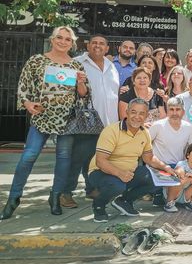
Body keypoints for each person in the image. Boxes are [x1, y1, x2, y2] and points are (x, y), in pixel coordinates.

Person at [1, 26, 88, 219]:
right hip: (42, 117)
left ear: (72, 43)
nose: (63, 41)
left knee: (64, 159)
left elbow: (83, 94)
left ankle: (55, 197)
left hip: (67, 119)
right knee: (28, 156)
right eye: (59, 37)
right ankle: (14, 198)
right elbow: (24, 86)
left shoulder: (76, 66)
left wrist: (81, 82)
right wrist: (27, 103)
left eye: (67, 39)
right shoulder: (37, 61)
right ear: (52, 39)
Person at [87, 98, 176, 222]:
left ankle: (124, 201)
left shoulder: (144, 132)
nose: (137, 116)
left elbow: (149, 158)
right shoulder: (111, 130)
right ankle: (99, 205)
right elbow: (101, 162)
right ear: (127, 112)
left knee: (157, 179)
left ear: (147, 115)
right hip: (101, 172)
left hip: (128, 173)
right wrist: (120, 173)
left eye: (141, 113)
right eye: (133, 112)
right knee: (117, 186)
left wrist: (166, 168)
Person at [63, 35, 119, 208]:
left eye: (102, 43)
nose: (97, 46)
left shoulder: (111, 66)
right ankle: (65, 192)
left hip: (108, 123)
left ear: (107, 48)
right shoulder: (77, 63)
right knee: (79, 157)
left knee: (96, 159)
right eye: (94, 43)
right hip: (86, 122)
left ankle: (91, 189)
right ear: (88, 45)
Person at [148, 97, 192, 207]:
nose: (174, 112)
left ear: (183, 111)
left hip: (179, 166)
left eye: (178, 109)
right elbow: (146, 146)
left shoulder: (189, 127)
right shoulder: (157, 125)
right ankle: (163, 197)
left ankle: (184, 200)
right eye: (171, 109)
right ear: (167, 110)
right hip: (160, 166)